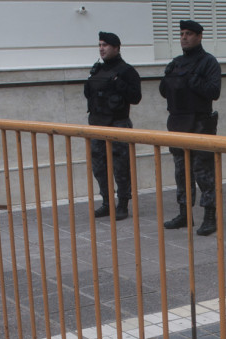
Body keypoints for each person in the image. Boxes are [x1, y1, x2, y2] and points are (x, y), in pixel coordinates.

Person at [159, 19, 222, 236]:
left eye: (189, 34)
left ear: (199, 36)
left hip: (200, 124)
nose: (184, 37)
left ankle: (210, 217)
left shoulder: (208, 62)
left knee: (204, 174)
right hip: (178, 123)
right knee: (181, 172)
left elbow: (214, 91)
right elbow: (164, 90)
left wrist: (193, 81)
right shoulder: (175, 63)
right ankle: (184, 214)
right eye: (182, 34)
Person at [84, 31, 142, 221]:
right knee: (99, 167)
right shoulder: (97, 70)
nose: (101, 48)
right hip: (98, 125)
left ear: (116, 48)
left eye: (105, 45)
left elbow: (136, 97)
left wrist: (119, 84)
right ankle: (107, 203)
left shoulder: (127, 71)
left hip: (118, 124)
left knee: (121, 167)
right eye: (100, 45)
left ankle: (123, 204)